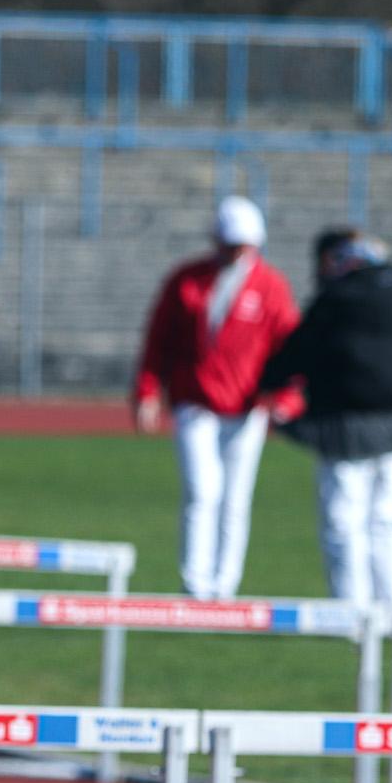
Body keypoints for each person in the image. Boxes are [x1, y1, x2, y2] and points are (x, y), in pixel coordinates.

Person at [132, 195, 298, 600]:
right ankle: (195, 581)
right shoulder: (187, 280)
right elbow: (158, 340)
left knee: (235, 499)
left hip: (247, 408)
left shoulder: (271, 286)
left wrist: (287, 399)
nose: (237, 252)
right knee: (202, 490)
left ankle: (226, 585)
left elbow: (291, 348)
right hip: (196, 403)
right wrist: (147, 391)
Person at [258, 228, 392, 607]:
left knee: (343, 521)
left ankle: (350, 611)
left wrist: (267, 381)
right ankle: (389, 609)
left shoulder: (336, 299)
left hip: (343, 428)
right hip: (391, 426)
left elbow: (297, 353)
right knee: (386, 521)